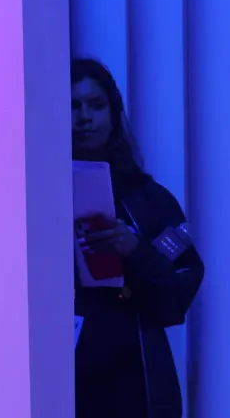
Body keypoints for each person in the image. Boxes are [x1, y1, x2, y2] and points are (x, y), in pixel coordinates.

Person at [72, 58, 204, 418]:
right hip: (53, 370)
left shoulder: (150, 200)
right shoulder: (27, 196)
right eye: (73, 106)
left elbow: (180, 287)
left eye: (96, 105)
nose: (84, 117)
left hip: (132, 377)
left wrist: (134, 250)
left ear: (113, 113)